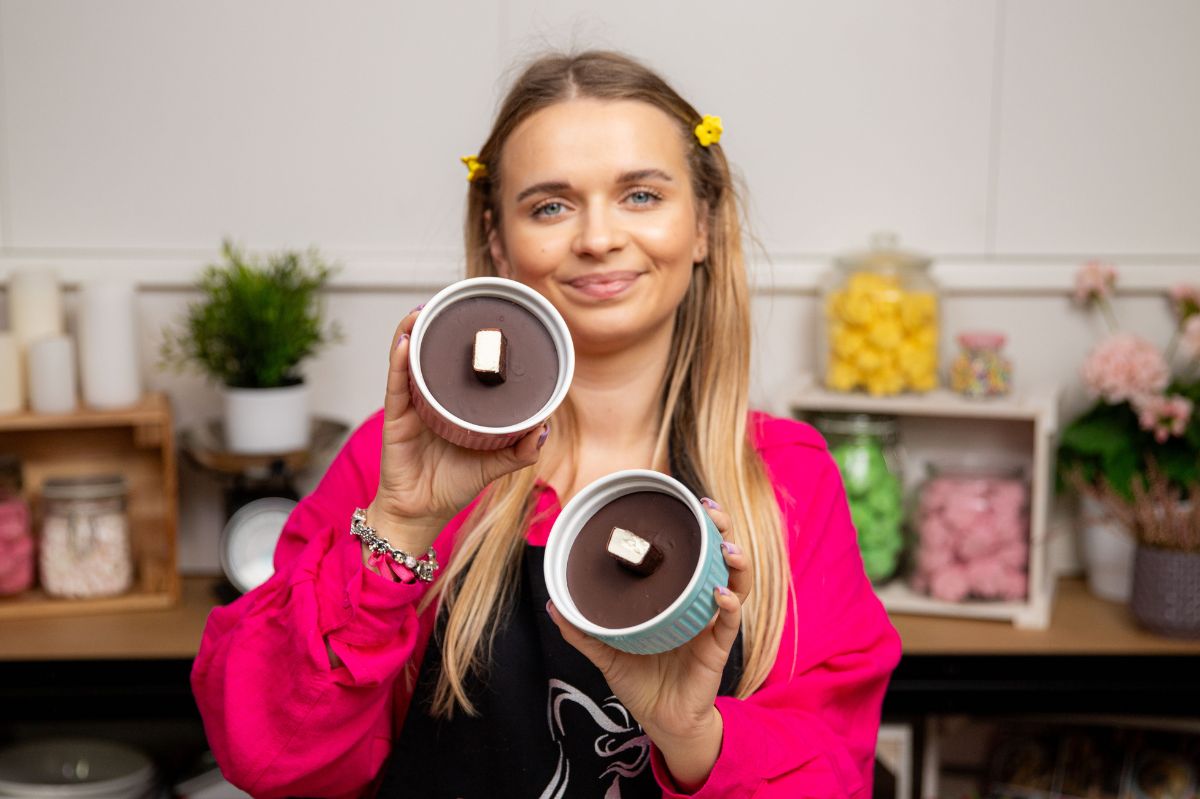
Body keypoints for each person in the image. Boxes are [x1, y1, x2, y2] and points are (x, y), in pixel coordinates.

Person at [192, 50, 901, 799]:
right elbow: (266, 753)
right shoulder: (400, 462)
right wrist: (400, 525)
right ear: (499, 240)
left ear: (703, 225)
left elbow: (832, 773)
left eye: (640, 195)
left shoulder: (786, 476)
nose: (598, 237)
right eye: (550, 206)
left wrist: (695, 736)